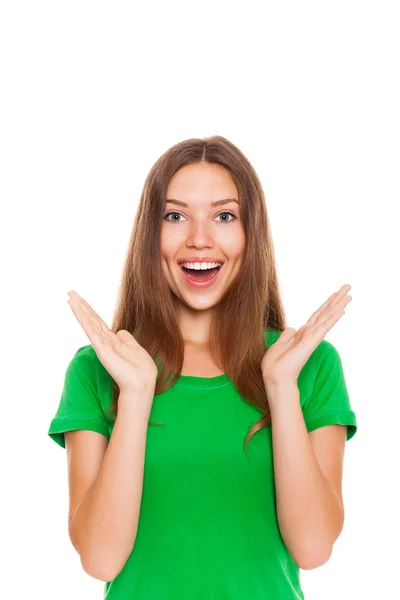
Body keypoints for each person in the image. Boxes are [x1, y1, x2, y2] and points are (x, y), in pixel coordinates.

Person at [47, 135, 358, 599]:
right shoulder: (99, 370)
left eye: (224, 216)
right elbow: (100, 559)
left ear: (251, 233)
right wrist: (135, 396)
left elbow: (313, 548)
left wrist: (281, 387)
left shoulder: (308, 367)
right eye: (175, 216)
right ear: (150, 234)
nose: (199, 238)